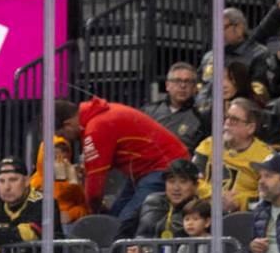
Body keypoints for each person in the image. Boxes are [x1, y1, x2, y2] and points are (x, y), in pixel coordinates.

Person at [54, 97, 189, 234]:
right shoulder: (98, 115)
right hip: (146, 168)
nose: (65, 139)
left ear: (68, 124)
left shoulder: (96, 127)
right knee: (113, 220)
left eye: (61, 134)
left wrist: (92, 212)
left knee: (123, 227)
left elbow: (95, 188)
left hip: (162, 167)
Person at [193, 97, 273, 213]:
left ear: (250, 128)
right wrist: (215, 195)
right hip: (202, 212)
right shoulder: (209, 144)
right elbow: (191, 179)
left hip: (242, 218)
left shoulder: (265, 157)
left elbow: (267, 195)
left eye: (234, 120)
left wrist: (238, 201)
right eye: (227, 117)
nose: (227, 123)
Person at [196, 9, 271, 109]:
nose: (217, 33)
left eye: (222, 28)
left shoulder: (259, 54)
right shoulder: (209, 56)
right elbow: (198, 86)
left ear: (239, 27)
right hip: (203, 115)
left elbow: (259, 93)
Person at [142, 61, 206, 150]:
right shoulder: (149, 112)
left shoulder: (202, 118)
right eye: (177, 81)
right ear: (167, 85)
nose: (183, 85)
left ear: (195, 87)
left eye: (188, 81)